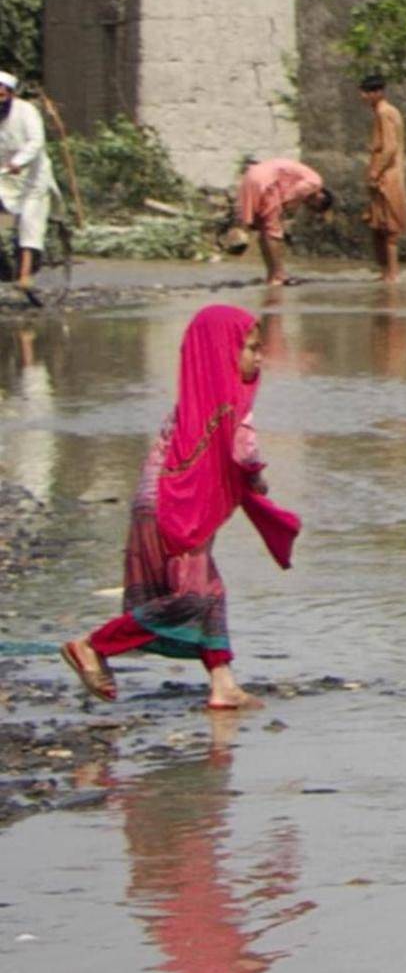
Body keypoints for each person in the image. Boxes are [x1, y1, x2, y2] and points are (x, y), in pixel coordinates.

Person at [60, 305, 298, 713]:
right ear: (222, 350)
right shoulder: (226, 401)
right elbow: (244, 456)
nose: (259, 358)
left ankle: (223, 685)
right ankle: (93, 644)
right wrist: (258, 482)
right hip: (178, 506)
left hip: (159, 501)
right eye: (250, 348)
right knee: (191, 595)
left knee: (212, 592)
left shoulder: (196, 397)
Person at [228, 158, 332, 289]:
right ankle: (278, 277)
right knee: (273, 232)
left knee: (264, 229)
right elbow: (295, 192)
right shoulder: (316, 182)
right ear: (320, 197)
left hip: (251, 176)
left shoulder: (305, 176)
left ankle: (271, 274)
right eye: (314, 207)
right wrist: (288, 206)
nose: (307, 206)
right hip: (267, 182)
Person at [0, 72, 58, 307]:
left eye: (1, 94)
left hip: (32, 176)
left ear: (10, 94)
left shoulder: (26, 112)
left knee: (29, 221)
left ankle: (25, 275)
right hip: (5, 175)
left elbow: (36, 142)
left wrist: (19, 162)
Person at [360, 76, 406, 283]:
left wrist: (375, 171)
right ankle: (386, 271)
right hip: (385, 173)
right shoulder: (383, 112)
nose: (362, 97)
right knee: (378, 225)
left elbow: (389, 147)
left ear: (378, 92)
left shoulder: (384, 112)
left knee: (389, 226)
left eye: (366, 92)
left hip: (388, 175)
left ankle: (392, 272)